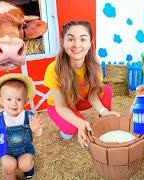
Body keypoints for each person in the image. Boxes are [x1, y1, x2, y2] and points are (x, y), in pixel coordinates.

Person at [43, 20, 121, 148]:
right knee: (72, 130)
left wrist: (104, 110)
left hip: (80, 99)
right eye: (70, 39)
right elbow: (61, 106)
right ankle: (68, 127)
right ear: (63, 42)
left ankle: (104, 120)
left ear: (90, 43)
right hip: (62, 105)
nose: (76, 44)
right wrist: (79, 123)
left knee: (105, 89)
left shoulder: (94, 66)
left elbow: (92, 95)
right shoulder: (54, 69)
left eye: (83, 39)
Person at [0, 73, 45, 179]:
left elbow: (39, 134)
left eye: (18, 99)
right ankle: (10, 177)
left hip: (26, 150)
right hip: (6, 152)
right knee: (9, 166)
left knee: (24, 165)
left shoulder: (29, 116)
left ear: (25, 101)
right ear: (1, 101)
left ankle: (29, 169)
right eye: (9, 99)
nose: (14, 103)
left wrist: (35, 130)